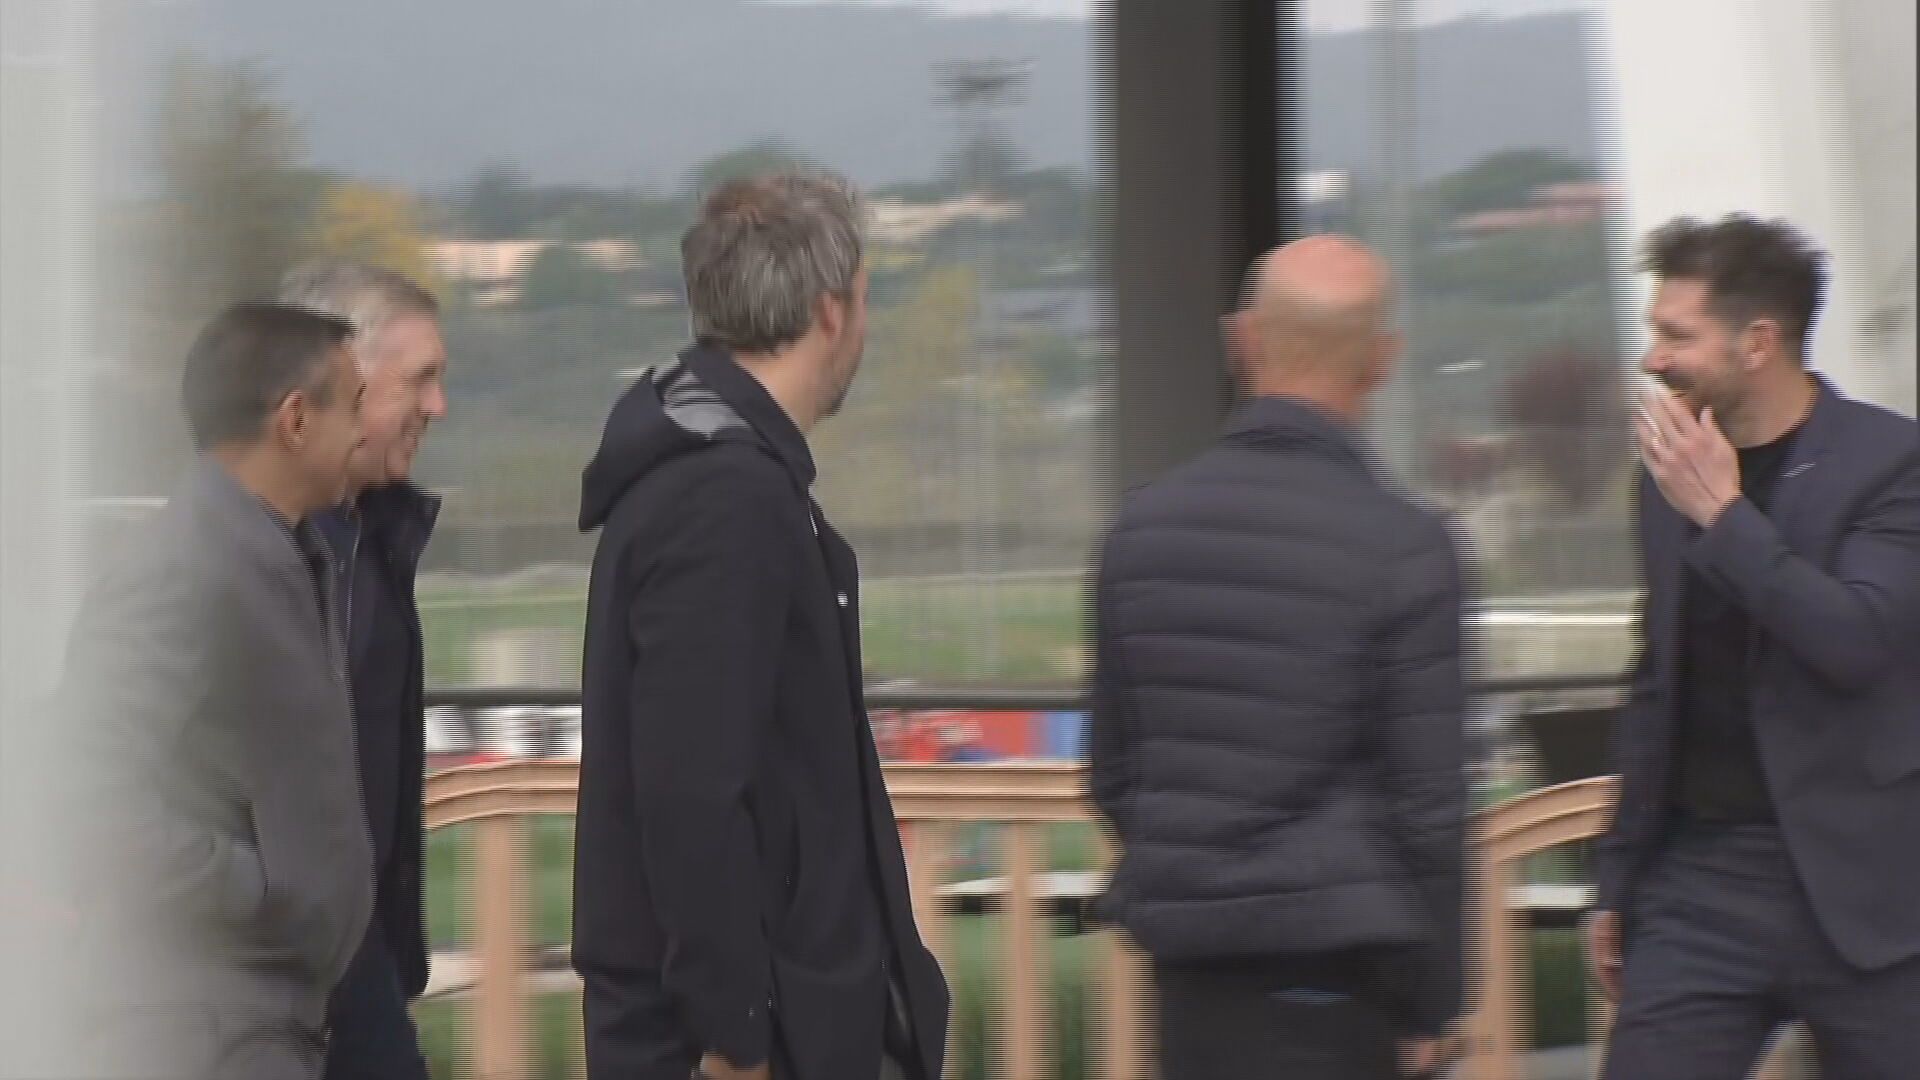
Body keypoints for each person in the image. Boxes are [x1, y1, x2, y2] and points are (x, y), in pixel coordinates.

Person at [572, 169, 949, 1080]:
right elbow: (691, 793)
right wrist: (734, 1038)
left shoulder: (719, 475)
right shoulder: (724, 499)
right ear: (830, 310)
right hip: (752, 1046)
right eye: (864, 299)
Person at [1087, 235, 1467, 1080]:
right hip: (1339, 983)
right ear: (1381, 362)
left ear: (1243, 340)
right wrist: (1432, 1003)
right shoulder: (1407, 546)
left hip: (1190, 982)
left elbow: (1113, 772)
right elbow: (1430, 808)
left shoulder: (1141, 530)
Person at [1590, 215, 1920, 1079]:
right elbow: (1656, 683)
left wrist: (1726, 519)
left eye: (1676, 334)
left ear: (1758, 341)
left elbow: (1856, 640)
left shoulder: (1893, 463)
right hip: (1701, 882)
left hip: (1870, 893)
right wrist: (1618, 881)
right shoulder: (1667, 479)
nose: (1653, 357)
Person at [61, 302, 372, 1080]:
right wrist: (260, 892)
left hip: (264, 1020)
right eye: (355, 405)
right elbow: (84, 796)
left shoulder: (289, 555)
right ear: (295, 420)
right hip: (198, 1030)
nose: (365, 430)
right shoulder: (177, 570)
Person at [279, 260, 449, 1080]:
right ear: (342, 380)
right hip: (287, 998)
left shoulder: (372, 545)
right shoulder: (259, 563)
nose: (437, 407)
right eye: (420, 380)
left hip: (361, 978)